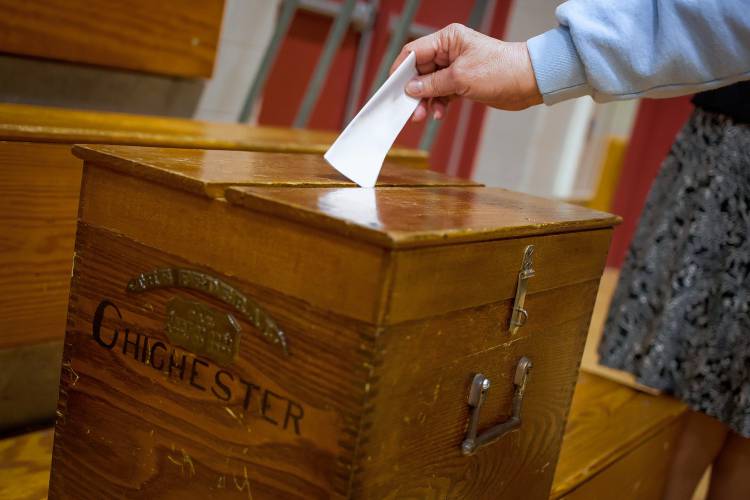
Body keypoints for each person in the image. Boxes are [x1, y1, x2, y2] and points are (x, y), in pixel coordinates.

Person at [391, 2, 750, 499]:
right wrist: (535, 66)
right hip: (733, 148)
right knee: (698, 395)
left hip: (735, 163)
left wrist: (536, 65)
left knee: (734, 418)